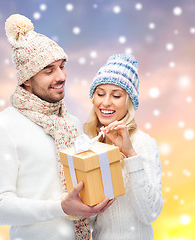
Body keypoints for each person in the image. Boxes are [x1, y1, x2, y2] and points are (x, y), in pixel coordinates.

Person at [0, 14, 113, 240]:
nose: (61, 76)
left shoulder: (70, 123)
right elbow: (0, 209)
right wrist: (61, 208)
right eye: (48, 70)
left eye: (62, 66)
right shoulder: (2, 127)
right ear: (26, 79)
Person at [85, 54, 163, 239]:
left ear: (129, 102)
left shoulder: (143, 143)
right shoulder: (89, 144)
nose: (105, 102)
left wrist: (129, 154)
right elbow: (89, 220)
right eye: (100, 93)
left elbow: (150, 213)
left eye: (116, 95)